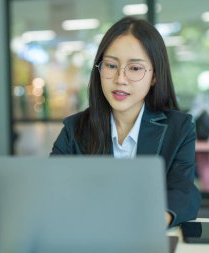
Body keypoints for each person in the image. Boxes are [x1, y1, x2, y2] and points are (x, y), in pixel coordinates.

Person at [50, 16, 201, 227]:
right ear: (99, 69)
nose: (120, 78)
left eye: (135, 68)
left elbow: (183, 191)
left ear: (155, 76)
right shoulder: (74, 129)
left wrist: (153, 222)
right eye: (111, 65)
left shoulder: (179, 128)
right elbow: (51, 189)